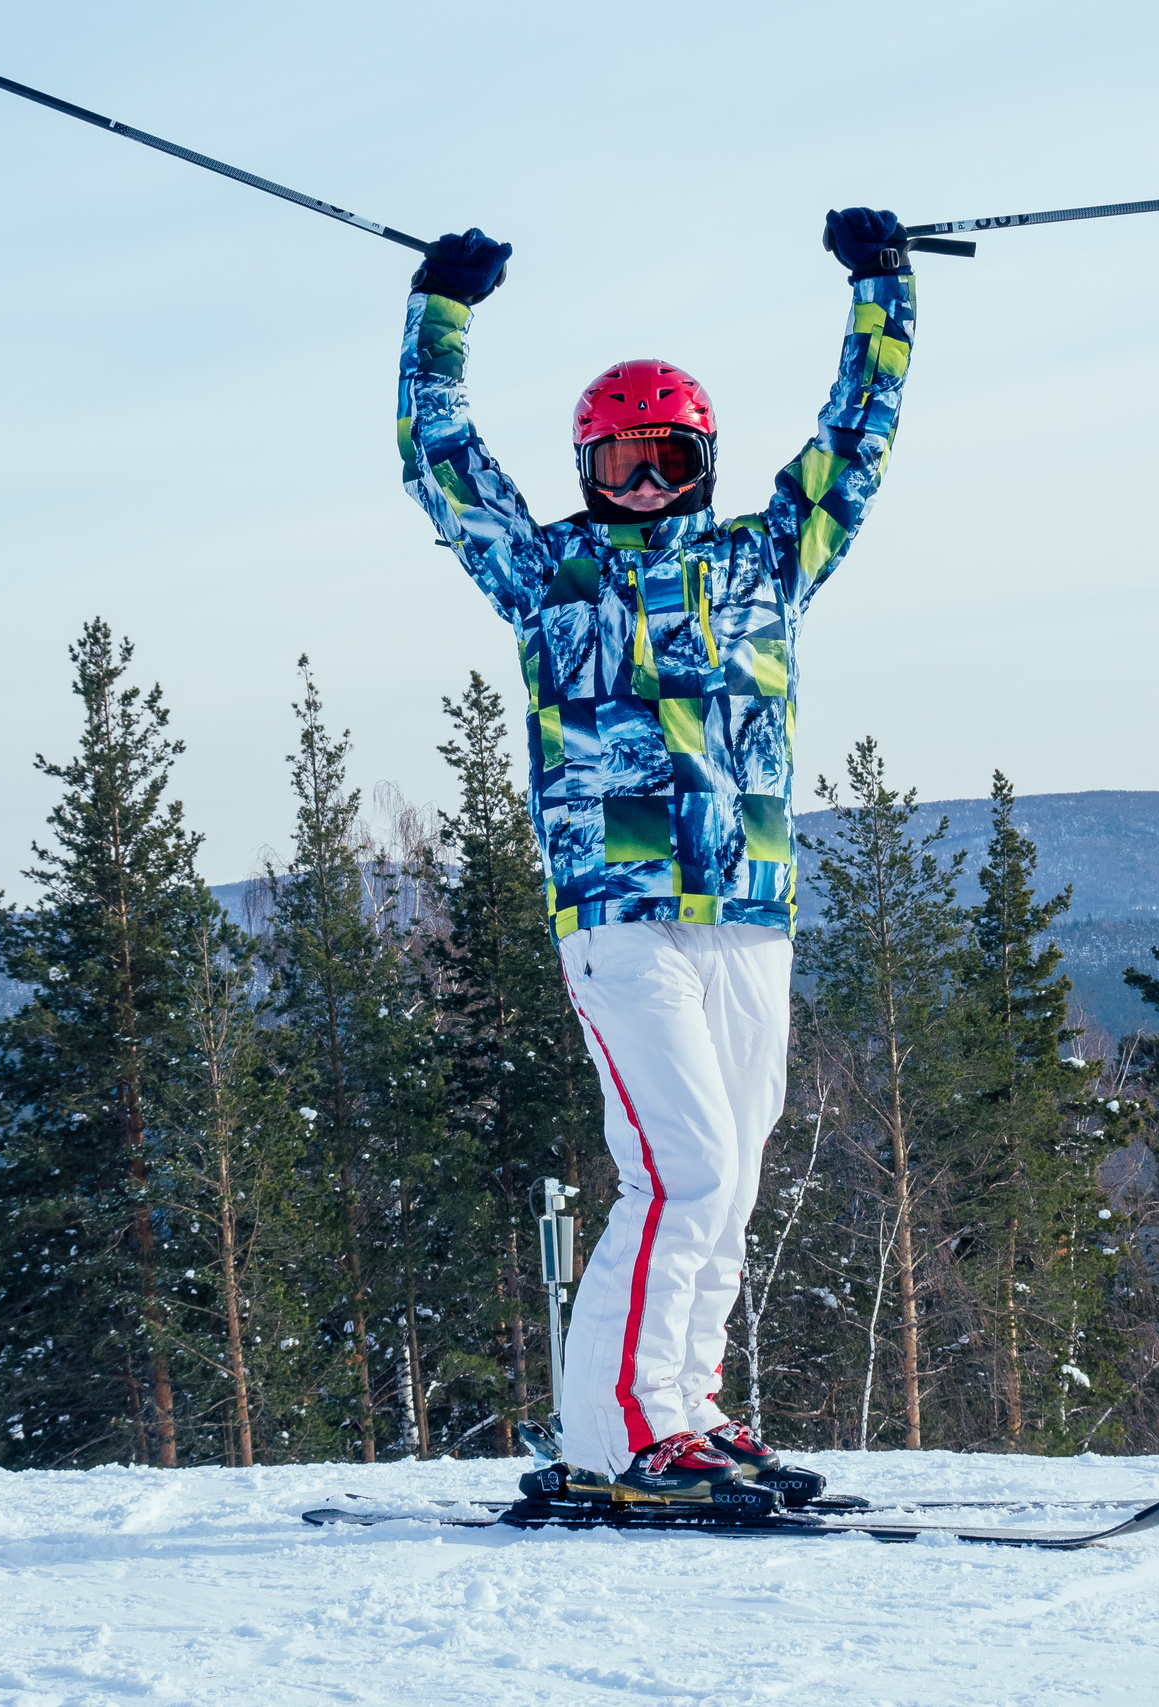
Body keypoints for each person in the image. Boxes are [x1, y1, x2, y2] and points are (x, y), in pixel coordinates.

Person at [396, 209, 916, 1500]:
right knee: (679, 1164)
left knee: (729, 1179)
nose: (640, 484)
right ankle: (618, 1436)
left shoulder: (761, 562)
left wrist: (885, 294)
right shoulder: (552, 577)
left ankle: (683, 1406)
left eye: (664, 459)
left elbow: (852, 451)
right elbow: (443, 467)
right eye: (618, 462)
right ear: (585, 469)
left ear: (701, 461)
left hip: (746, 903)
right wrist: (440, 319)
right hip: (620, 909)